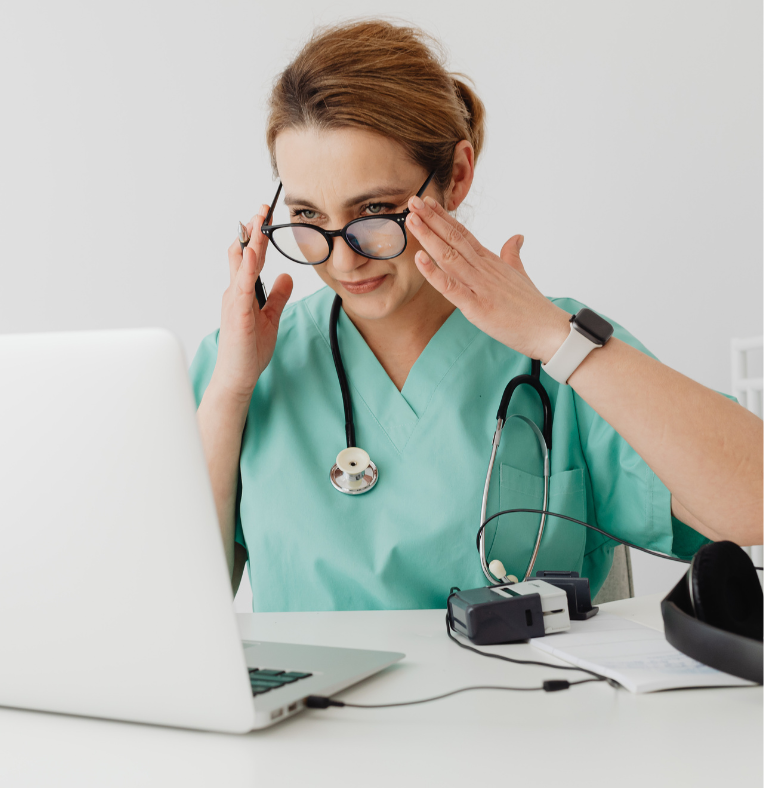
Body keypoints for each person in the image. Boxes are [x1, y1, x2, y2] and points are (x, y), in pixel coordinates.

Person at [190, 19, 763, 612]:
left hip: (522, 702)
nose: (341, 258)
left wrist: (554, 339)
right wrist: (230, 390)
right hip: (312, 703)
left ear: (456, 176)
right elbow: (178, 606)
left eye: (376, 210)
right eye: (309, 218)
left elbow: (755, 506)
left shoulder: (560, 349)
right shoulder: (243, 357)